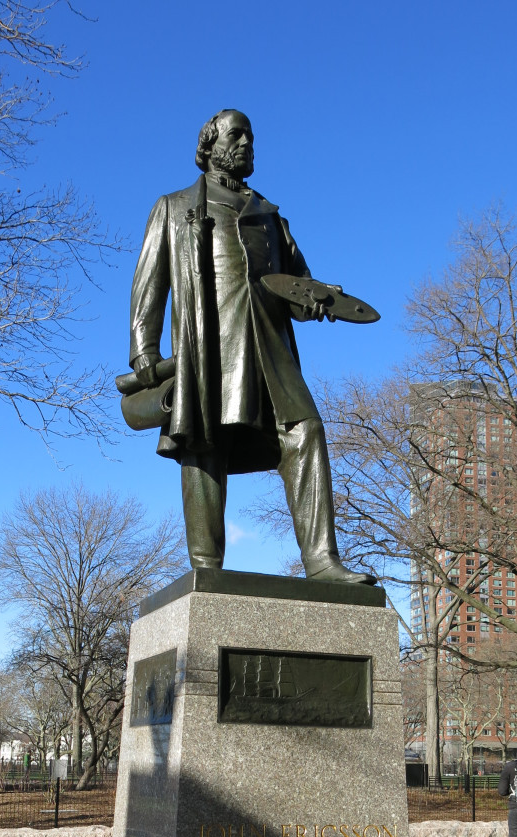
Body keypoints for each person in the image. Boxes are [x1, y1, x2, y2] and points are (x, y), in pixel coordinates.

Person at [129, 109, 375, 585]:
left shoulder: (271, 215)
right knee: (204, 444)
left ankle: (322, 561)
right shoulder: (175, 206)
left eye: (251, 137)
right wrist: (144, 351)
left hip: (270, 348)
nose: (246, 143)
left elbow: (297, 289)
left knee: (306, 433)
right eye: (236, 135)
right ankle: (206, 568)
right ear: (209, 144)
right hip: (208, 345)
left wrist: (322, 299)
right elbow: (149, 284)